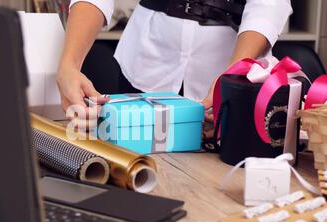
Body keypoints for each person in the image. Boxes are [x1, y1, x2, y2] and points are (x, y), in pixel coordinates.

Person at [57, 0, 293, 132]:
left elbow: (269, 5)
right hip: (145, 64)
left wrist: (234, 72)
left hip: (228, 78)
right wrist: (70, 64)